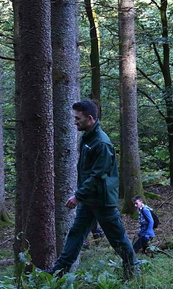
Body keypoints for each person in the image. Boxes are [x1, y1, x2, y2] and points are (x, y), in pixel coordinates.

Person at [47, 100, 137, 278]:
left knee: (116, 237)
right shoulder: (87, 138)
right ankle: (57, 273)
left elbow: (97, 175)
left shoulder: (101, 143)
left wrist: (78, 196)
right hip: (89, 199)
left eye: (77, 118)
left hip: (102, 200)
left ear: (89, 118)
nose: (75, 122)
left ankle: (133, 270)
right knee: (76, 234)